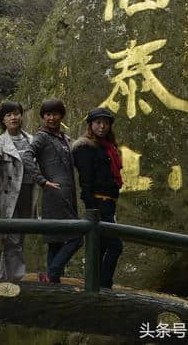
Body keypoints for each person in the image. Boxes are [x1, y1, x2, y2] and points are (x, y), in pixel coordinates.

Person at [22, 99, 82, 283]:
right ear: (43, 116)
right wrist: (41, 180)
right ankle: (52, 274)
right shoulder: (42, 136)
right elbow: (26, 156)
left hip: (67, 194)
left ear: (61, 115)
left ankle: (52, 284)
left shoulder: (63, 137)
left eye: (55, 114)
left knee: (56, 242)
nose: (51, 118)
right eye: (47, 114)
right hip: (54, 194)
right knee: (77, 237)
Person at [0, 101, 40, 282]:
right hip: (9, 196)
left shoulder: (31, 140)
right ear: (3, 120)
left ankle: (5, 278)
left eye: (16, 113)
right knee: (12, 239)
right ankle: (14, 281)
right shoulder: (0, 140)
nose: (13, 117)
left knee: (18, 238)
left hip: (28, 192)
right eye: (8, 115)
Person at [72, 107, 123, 288]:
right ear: (91, 125)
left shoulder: (108, 147)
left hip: (109, 202)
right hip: (98, 202)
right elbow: (86, 180)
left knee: (101, 246)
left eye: (106, 123)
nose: (102, 126)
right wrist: (92, 208)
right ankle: (104, 284)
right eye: (98, 123)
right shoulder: (85, 147)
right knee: (115, 246)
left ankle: (94, 284)